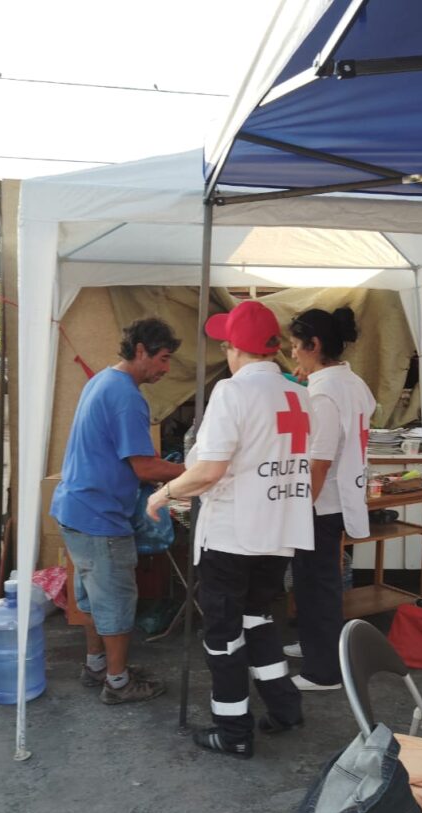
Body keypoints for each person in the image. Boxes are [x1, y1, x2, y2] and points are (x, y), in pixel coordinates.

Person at [146, 301, 314, 759]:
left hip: (231, 536)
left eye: (226, 343)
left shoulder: (233, 393)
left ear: (234, 348)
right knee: (257, 618)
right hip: (278, 532)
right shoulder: (298, 393)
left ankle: (233, 729)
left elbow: (208, 470)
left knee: (222, 637)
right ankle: (283, 708)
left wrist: (162, 494)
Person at [51, 317, 184, 705]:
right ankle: (119, 682)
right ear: (140, 351)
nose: (165, 368)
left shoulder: (101, 381)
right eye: (162, 358)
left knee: (94, 598)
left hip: (75, 510)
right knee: (116, 602)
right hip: (99, 516)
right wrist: (195, 472)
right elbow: (143, 466)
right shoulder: (127, 396)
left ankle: (96, 666)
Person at [283, 306, 376, 691]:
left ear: (314, 344)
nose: (292, 355)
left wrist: (298, 511)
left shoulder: (323, 392)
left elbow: (318, 463)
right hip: (342, 495)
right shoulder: (352, 382)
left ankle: (324, 672)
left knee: (316, 584)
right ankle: (315, 646)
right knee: (319, 581)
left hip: (322, 502)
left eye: (294, 346)